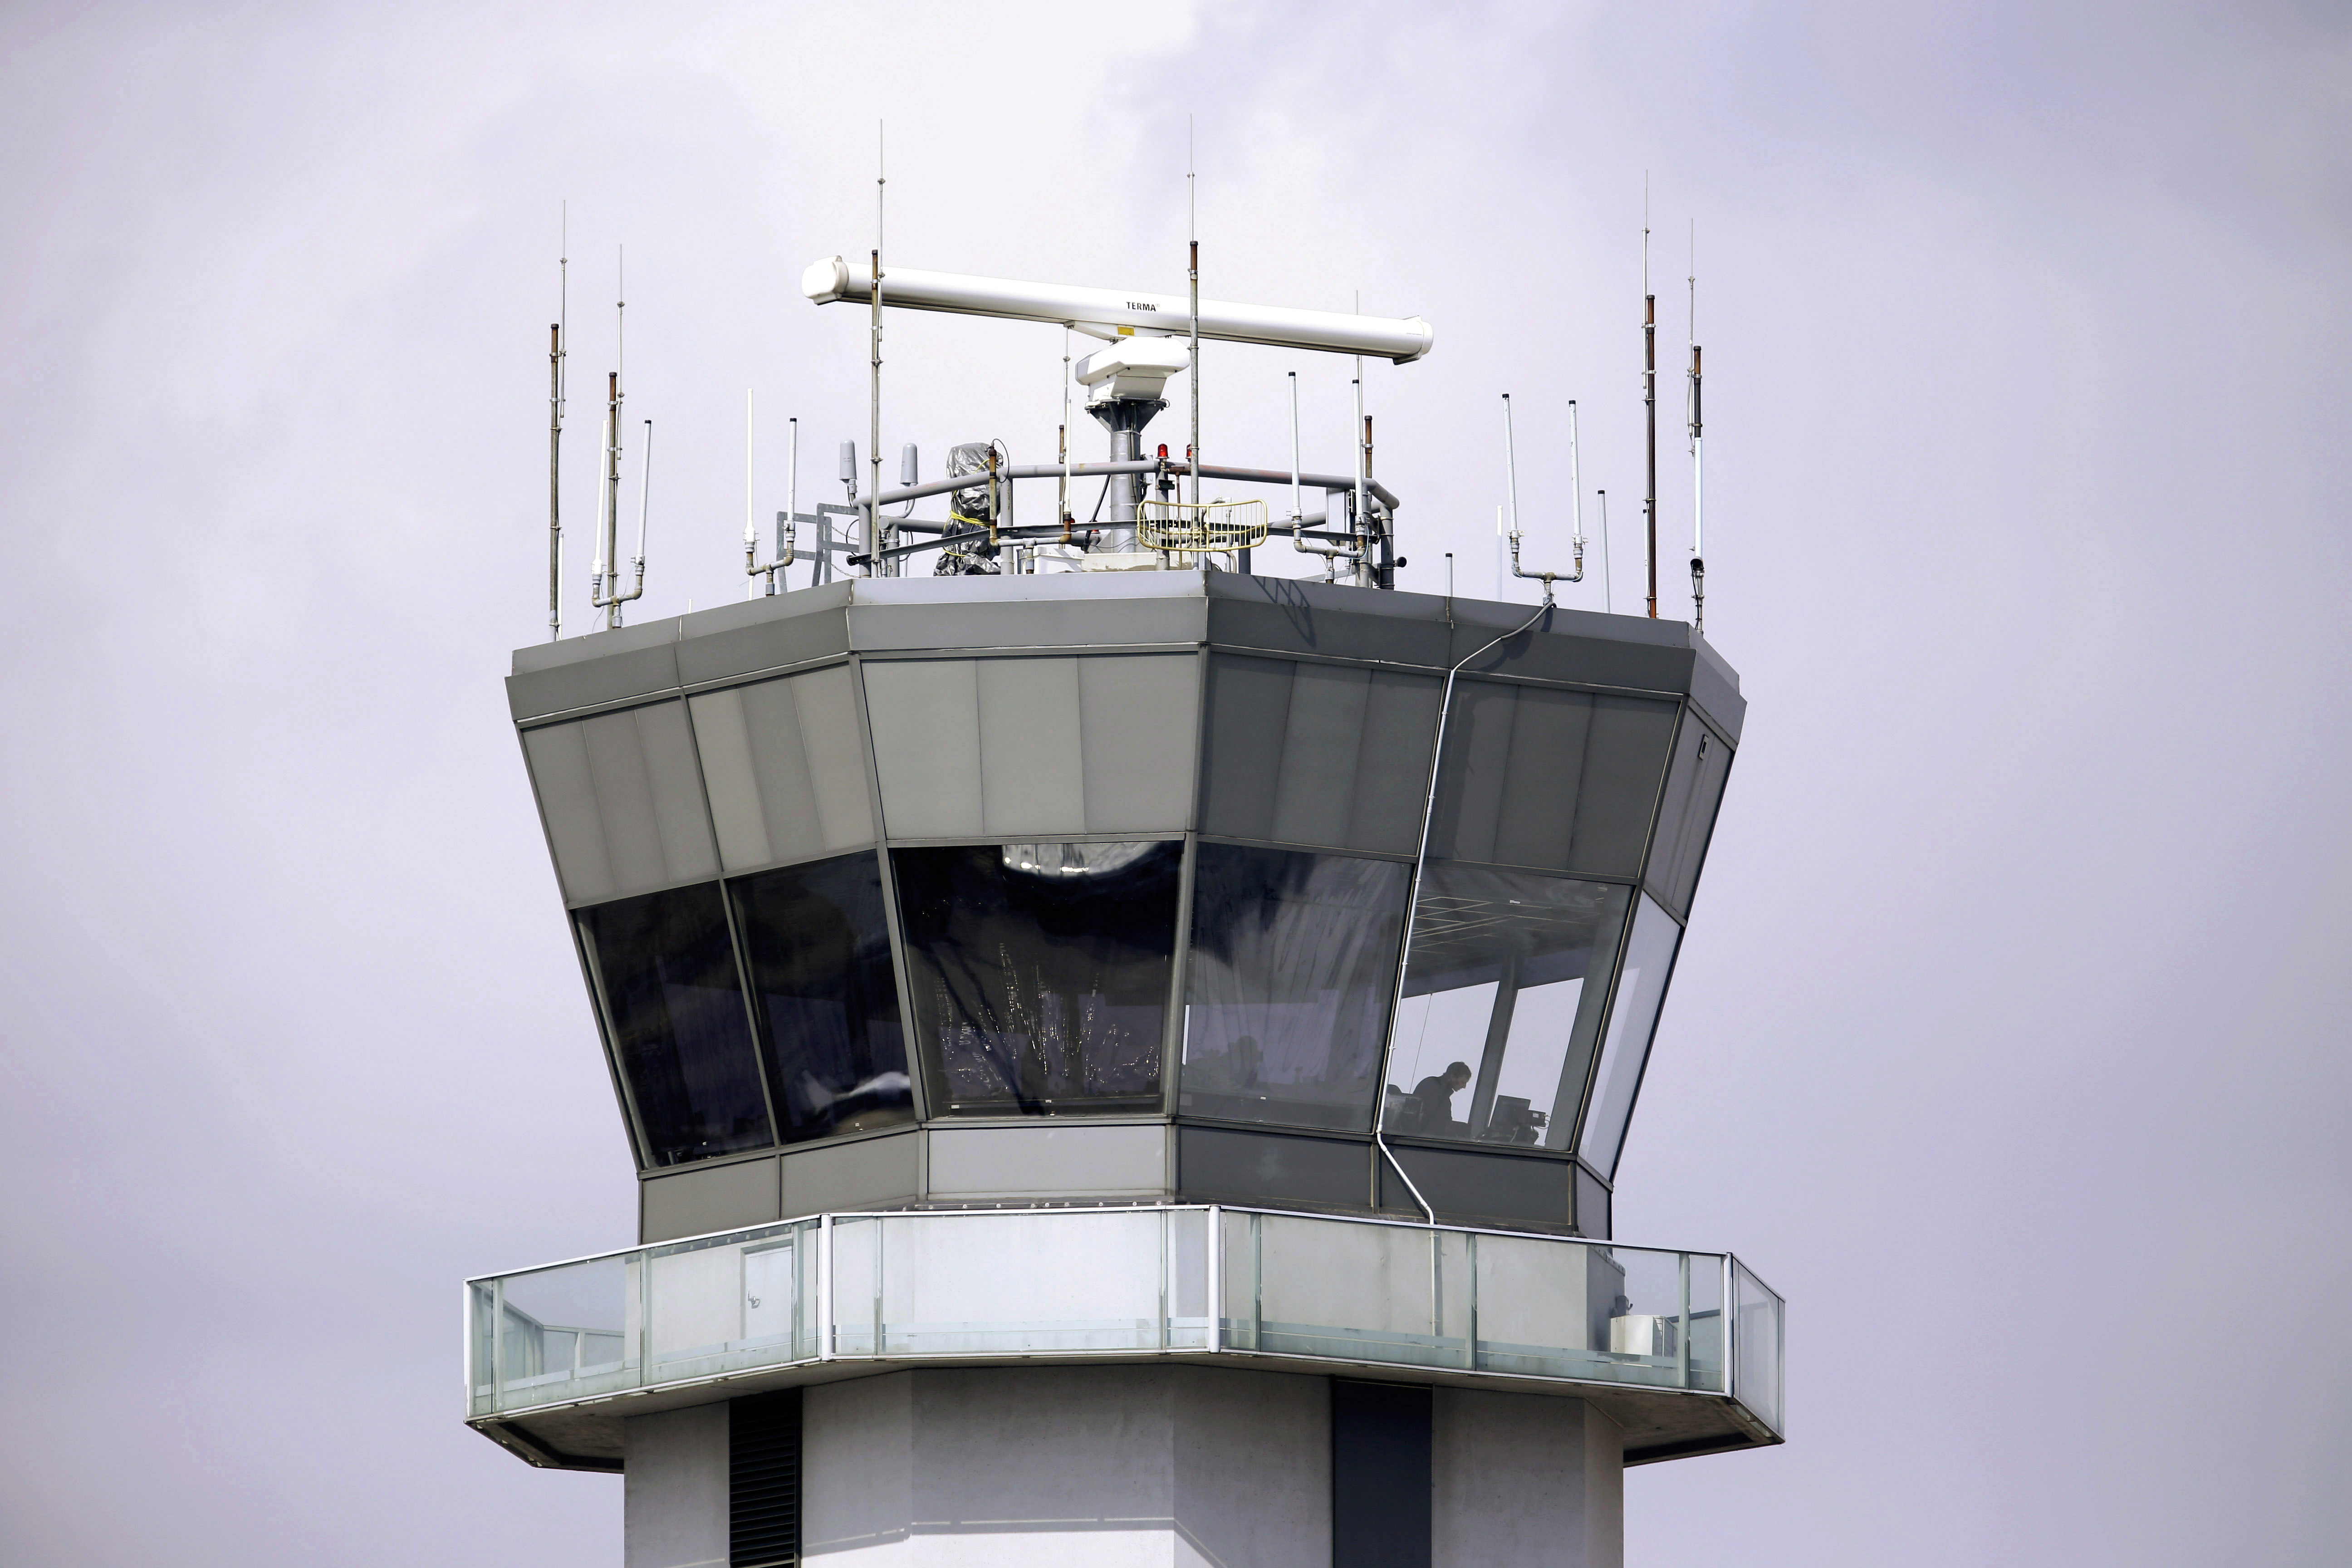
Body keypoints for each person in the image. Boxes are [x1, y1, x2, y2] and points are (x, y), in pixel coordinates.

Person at [1408, 1061, 1473, 1134]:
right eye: (1463, 1082)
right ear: (1453, 1077)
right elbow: (1431, 1121)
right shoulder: (1432, 1087)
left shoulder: (1444, 1097)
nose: (1464, 1087)